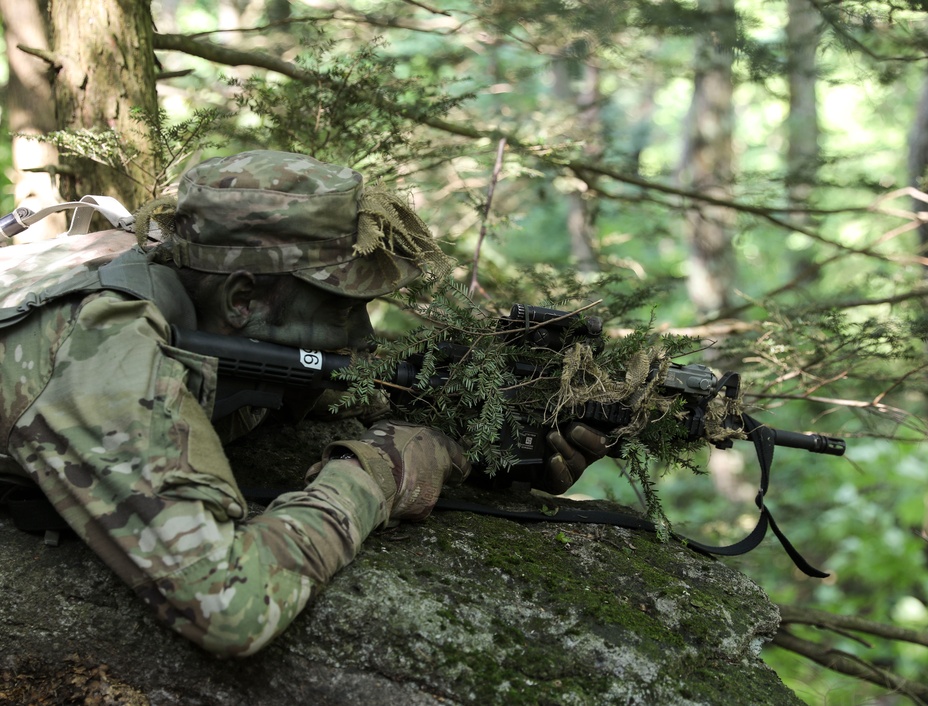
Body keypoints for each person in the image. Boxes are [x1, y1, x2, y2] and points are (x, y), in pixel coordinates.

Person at [0, 150, 608, 656]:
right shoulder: (111, 355)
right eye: (341, 307)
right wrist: (378, 474)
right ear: (243, 299)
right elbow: (230, 608)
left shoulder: (185, 270)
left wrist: (499, 441)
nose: (365, 335)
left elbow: (280, 375)